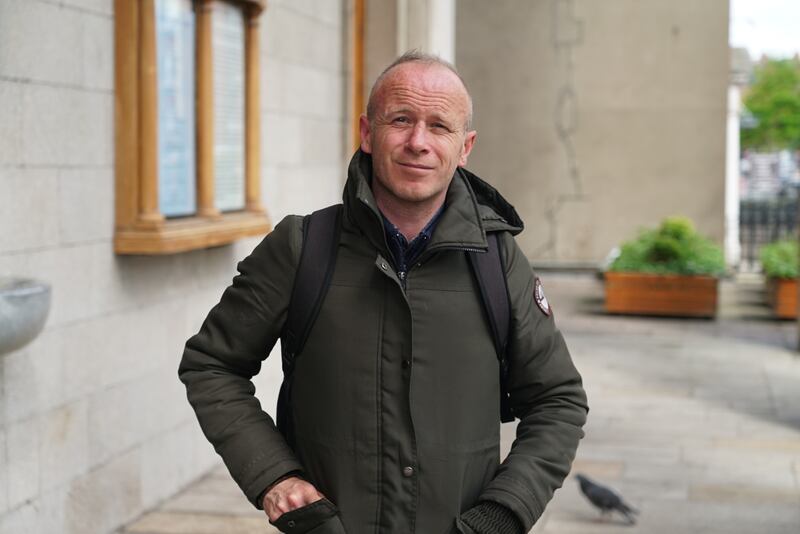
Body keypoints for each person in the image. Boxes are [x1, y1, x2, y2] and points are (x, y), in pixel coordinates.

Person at [179, 51, 588, 534]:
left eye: (439, 126)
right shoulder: (302, 247)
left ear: (465, 147)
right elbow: (212, 365)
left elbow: (558, 400)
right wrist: (273, 476)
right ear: (367, 133)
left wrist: (504, 512)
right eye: (400, 120)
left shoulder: (496, 261)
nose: (418, 142)